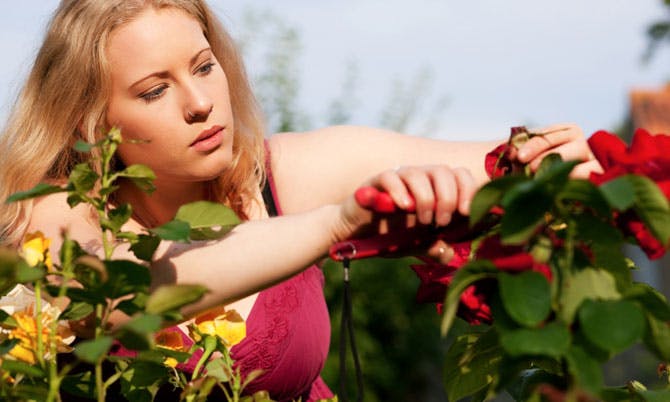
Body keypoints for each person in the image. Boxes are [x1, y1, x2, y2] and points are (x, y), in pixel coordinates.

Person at [0, 1, 601, 400]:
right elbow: (123, 295)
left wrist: (551, 163)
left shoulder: (273, 175)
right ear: (89, 126)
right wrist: (336, 223)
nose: (200, 103)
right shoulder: (50, 215)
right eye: (155, 90)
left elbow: (515, 168)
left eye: (204, 67)